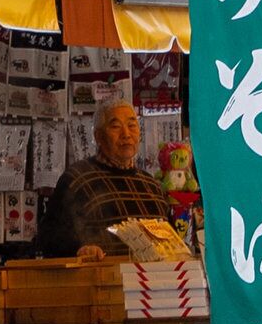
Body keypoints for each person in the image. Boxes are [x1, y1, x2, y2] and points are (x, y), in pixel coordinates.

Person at [50, 100, 182, 257]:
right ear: (98, 136)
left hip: (153, 279)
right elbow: (50, 237)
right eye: (116, 126)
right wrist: (79, 250)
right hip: (102, 277)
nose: (126, 134)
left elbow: (172, 241)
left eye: (132, 125)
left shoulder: (152, 185)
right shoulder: (77, 180)